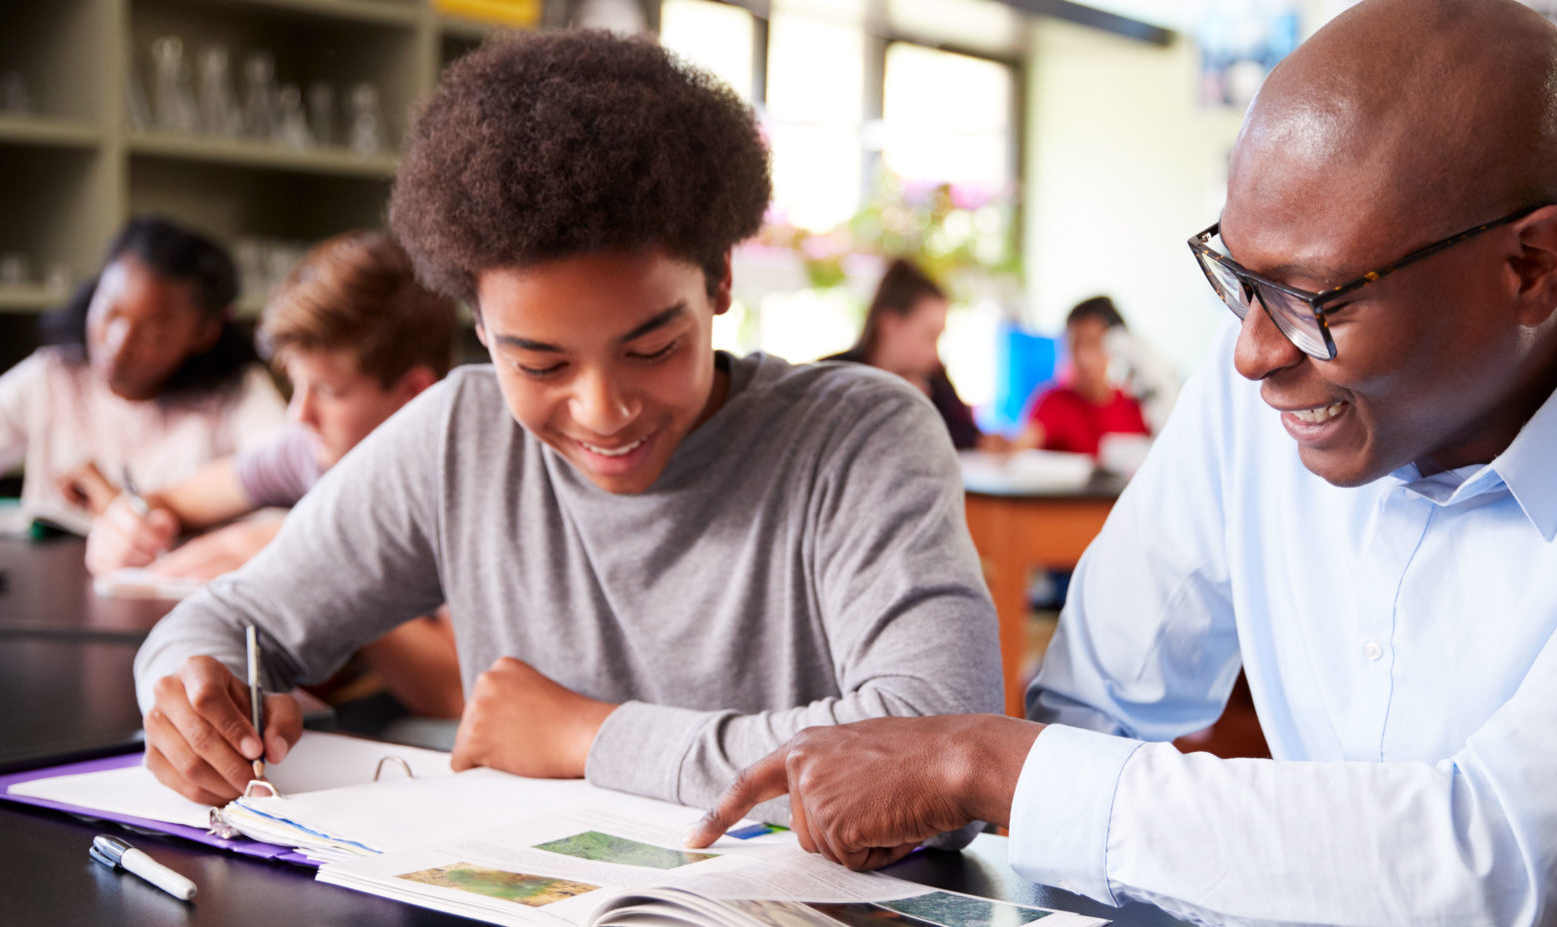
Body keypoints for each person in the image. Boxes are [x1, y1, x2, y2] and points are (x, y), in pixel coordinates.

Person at [688, 2, 1557, 924]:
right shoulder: (1273, 395)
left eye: (1316, 298)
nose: (1254, 354)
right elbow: (1094, 716)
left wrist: (982, 761)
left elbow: (1490, 867)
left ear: (1529, 265)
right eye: (1238, 275)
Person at [130, 31, 1001, 825]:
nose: (603, 410)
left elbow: (941, 743)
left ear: (720, 283)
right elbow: (228, 620)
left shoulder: (862, 437)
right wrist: (195, 698)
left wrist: (590, 736)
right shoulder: (456, 440)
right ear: (479, 325)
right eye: (540, 364)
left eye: (654, 347)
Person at [89, 230, 464, 720]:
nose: (298, 414)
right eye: (295, 383)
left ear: (414, 394)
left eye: (328, 390)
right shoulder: (313, 449)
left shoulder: (463, 480)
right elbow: (173, 501)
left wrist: (316, 569)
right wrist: (127, 523)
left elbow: (456, 689)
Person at [0, 216, 284, 516]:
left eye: (153, 332)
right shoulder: (55, 375)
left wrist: (126, 511)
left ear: (203, 333)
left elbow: (290, 483)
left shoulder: (237, 392)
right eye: (109, 312)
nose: (118, 345)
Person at [826, 258, 997, 450]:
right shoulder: (832, 380)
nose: (935, 352)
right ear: (890, 325)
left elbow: (970, 438)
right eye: (930, 336)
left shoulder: (935, 380)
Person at [1016, 296, 1152, 456]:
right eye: (1075, 345)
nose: (1083, 358)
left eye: (1093, 343)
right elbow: (1025, 441)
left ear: (1115, 345)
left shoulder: (1136, 408)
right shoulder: (1052, 402)